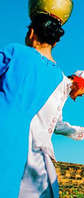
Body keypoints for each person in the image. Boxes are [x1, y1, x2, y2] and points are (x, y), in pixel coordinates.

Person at [0, 12, 70, 196]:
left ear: (31, 33)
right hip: (19, 139)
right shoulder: (57, 76)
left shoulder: (16, 51)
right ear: (55, 42)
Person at [18, 70, 84, 197]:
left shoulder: (62, 95)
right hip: (27, 140)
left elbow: (57, 126)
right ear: (81, 84)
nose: (82, 95)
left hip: (39, 145)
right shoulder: (55, 82)